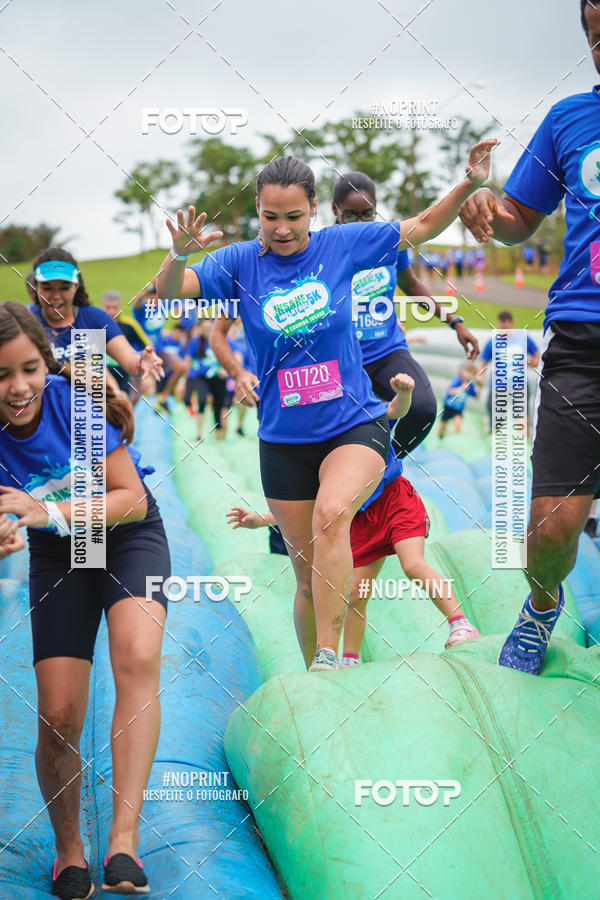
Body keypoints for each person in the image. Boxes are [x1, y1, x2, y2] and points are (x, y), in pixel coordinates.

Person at [158, 141, 496, 672]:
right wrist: (177, 254)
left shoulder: (343, 244)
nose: (282, 228)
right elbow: (172, 292)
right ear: (258, 212)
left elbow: (423, 226)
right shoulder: (241, 261)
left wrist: (469, 181)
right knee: (304, 574)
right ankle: (320, 680)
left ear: (314, 209)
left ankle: (331, 652)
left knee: (334, 512)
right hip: (284, 440)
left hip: (353, 424)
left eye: (294, 216)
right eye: (270, 217)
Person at [0, 302, 170, 897]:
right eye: (2, 375)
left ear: (44, 365)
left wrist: (45, 512)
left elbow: (130, 499)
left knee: (137, 656)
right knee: (60, 714)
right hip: (57, 555)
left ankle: (124, 841)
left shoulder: (72, 405)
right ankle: (69, 851)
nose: (18, 387)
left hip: (125, 536)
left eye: (28, 368)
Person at [458, 0, 600, 675]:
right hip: (583, 343)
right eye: (598, 40)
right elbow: (519, 220)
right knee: (549, 531)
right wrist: (491, 210)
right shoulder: (570, 120)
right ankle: (543, 603)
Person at [227, 373, 480, 662]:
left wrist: (405, 392)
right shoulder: (319, 447)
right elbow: (307, 504)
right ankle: (350, 658)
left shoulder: (362, 413)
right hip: (359, 519)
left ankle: (460, 623)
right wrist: (262, 518)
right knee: (356, 596)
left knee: (412, 564)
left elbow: (396, 410)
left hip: (393, 501)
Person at [331, 171, 480, 457]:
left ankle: (388, 465)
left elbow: (411, 284)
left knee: (423, 409)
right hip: (342, 358)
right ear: (335, 210)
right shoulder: (323, 246)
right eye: (351, 216)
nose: (360, 223)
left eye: (367, 214)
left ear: (376, 210)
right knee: (350, 432)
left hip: (386, 353)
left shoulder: (388, 241)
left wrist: (454, 321)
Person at [29, 248, 164, 391]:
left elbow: (129, 359)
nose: (56, 296)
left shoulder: (93, 319)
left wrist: (141, 362)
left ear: (76, 286)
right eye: (47, 288)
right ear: (36, 287)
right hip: (42, 408)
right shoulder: (27, 321)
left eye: (64, 288)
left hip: (85, 409)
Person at [476, 311, 539, 433]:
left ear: (512, 324)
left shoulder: (523, 338)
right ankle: (493, 442)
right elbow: (483, 362)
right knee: (495, 422)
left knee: (522, 420)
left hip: (519, 385)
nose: (504, 330)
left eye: (506, 328)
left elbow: (537, 357)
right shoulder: (493, 341)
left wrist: (531, 362)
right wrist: (479, 376)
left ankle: (524, 444)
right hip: (498, 386)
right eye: (501, 328)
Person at [102, 290, 151, 403]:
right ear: (103, 306)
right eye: (108, 307)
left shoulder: (129, 325)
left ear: (120, 307)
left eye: (115, 308)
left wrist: (147, 375)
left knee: (126, 405)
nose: (111, 311)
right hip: (102, 373)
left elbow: (147, 347)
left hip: (124, 373)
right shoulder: (94, 325)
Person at [183, 319, 228, 441]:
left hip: (218, 377)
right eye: (204, 329)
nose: (207, 331)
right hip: (201, 377)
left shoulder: (220, 340)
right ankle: (199, 433)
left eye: (209, 328)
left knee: (218, 405)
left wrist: (225, 370)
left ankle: (219, 433)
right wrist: (183, 381)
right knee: (201, 401)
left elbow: (229, 357)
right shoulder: (195, 342)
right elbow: (187, 361)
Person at [439, 362, 479, 437]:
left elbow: (476, 397)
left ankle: (456, 438)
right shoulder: (457, 381)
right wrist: (460, 388)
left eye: (472, 373)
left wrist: (481, 386)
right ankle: (441, 436)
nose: (469, 374)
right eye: (468, 371)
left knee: (457, 428)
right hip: (448, 407)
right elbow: (449, 391)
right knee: (442, 427)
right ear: (462, 371)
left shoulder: (470, 386)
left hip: (458, 410)